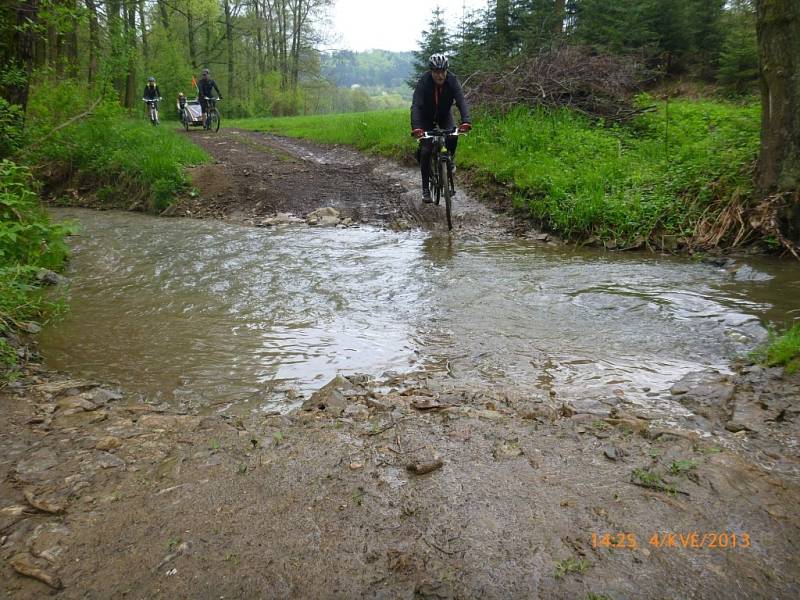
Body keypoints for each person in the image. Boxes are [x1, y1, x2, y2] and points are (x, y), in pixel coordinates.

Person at [410, 54, 472, 203]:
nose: (440, 75)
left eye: (443, 71)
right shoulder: (424, 82)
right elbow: (416, 106)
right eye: (436, 72)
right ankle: (425, 189)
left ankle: (449, 160)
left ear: (446, 70)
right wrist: (417, 127)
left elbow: (461, 100)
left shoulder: (452, 80)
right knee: (425, 151)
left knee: (453, 134)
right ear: (431, 71)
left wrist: (466, 121)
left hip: (444, 114)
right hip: (426, 117)